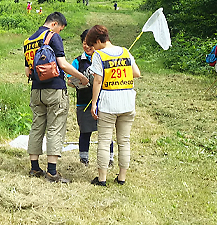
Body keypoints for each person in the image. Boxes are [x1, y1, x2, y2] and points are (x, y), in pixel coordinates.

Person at [23, 12, 89, 183]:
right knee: (55, 127)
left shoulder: (28, 41)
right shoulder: (52, 36)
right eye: (60, 29)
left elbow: (27, 72)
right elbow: (62, 64)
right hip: (54, 90)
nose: (59, 32)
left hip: (36, 90)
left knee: (37, 126)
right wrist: (81, 77)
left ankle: (34, 167)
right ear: (54, 24)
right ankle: (52, 172)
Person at [87, 25, 141, 187]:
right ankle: (122, 177)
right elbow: (136, 73)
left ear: (98, 41)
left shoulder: (99, 55)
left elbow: (97, 80)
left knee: (104, 140)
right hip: (127, 101)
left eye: (93, 45)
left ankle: (102, 178)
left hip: (109, 103)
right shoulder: (125, 51)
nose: (93, 48)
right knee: (124, 141)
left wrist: (94, 103)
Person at [70, 29, 114, 167]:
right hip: (83, 102)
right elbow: (69, 80)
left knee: (106, 133)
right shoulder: (77, 61)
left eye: (90, 44)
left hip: (104, 102)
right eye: (84, 43)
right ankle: (84, 159)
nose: (87, 46)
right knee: (85, 131)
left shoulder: (104, 58)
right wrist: (79, 81)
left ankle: (109, 158)